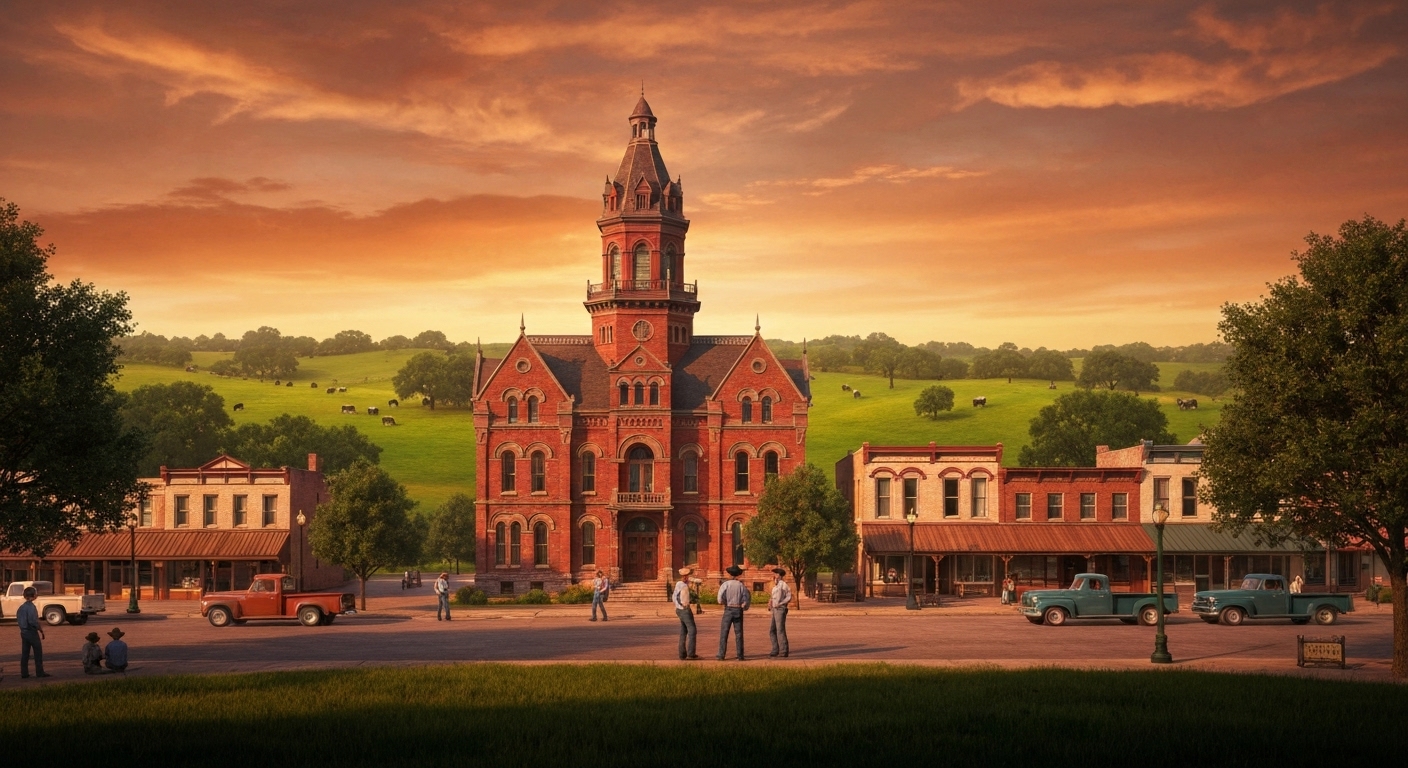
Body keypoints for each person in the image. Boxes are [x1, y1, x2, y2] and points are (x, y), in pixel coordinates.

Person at [716, 565, 750, 661]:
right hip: (738, 609)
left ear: (730, 574)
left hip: (728, 609)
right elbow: (745, 599)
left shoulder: (725, 585)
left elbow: (719, 599)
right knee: (739, 634)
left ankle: (721, 655)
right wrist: (743, 606)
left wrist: (724, 602)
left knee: (724, 633)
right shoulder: (741, 585)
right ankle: (740, 655)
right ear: (738, 574)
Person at [16, 586, 49, 679]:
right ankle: (39, 672)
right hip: (31, 631)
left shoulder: (21, 607)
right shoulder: (31, 607)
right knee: (38, 652)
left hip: (23, 632)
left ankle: (24, 673)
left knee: (25, 653)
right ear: (33, 595)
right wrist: (39, 629)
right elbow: (32, 621)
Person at [673, 568, 698, 660]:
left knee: (684, 631)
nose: (687, 578)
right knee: (692, 630)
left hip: (682, 609)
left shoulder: (683, 584)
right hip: (684, 610)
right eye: (686, 576)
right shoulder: (681, 584)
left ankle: (682, 654)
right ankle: (691, 654)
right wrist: (681, 606)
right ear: (683, 576)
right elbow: (674, 597)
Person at [768, 567, 791, 658]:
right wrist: (770, 602)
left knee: (780, 630)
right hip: (775, 609)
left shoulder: (783, 585)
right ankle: (775, 649)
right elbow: (774, 597)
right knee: (772, 630)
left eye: (776, 574)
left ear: (779, 575)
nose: (774, 576)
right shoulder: (776, 586)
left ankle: (783, 650)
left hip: (780, 609)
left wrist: (781, 603)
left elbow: (788, 597)